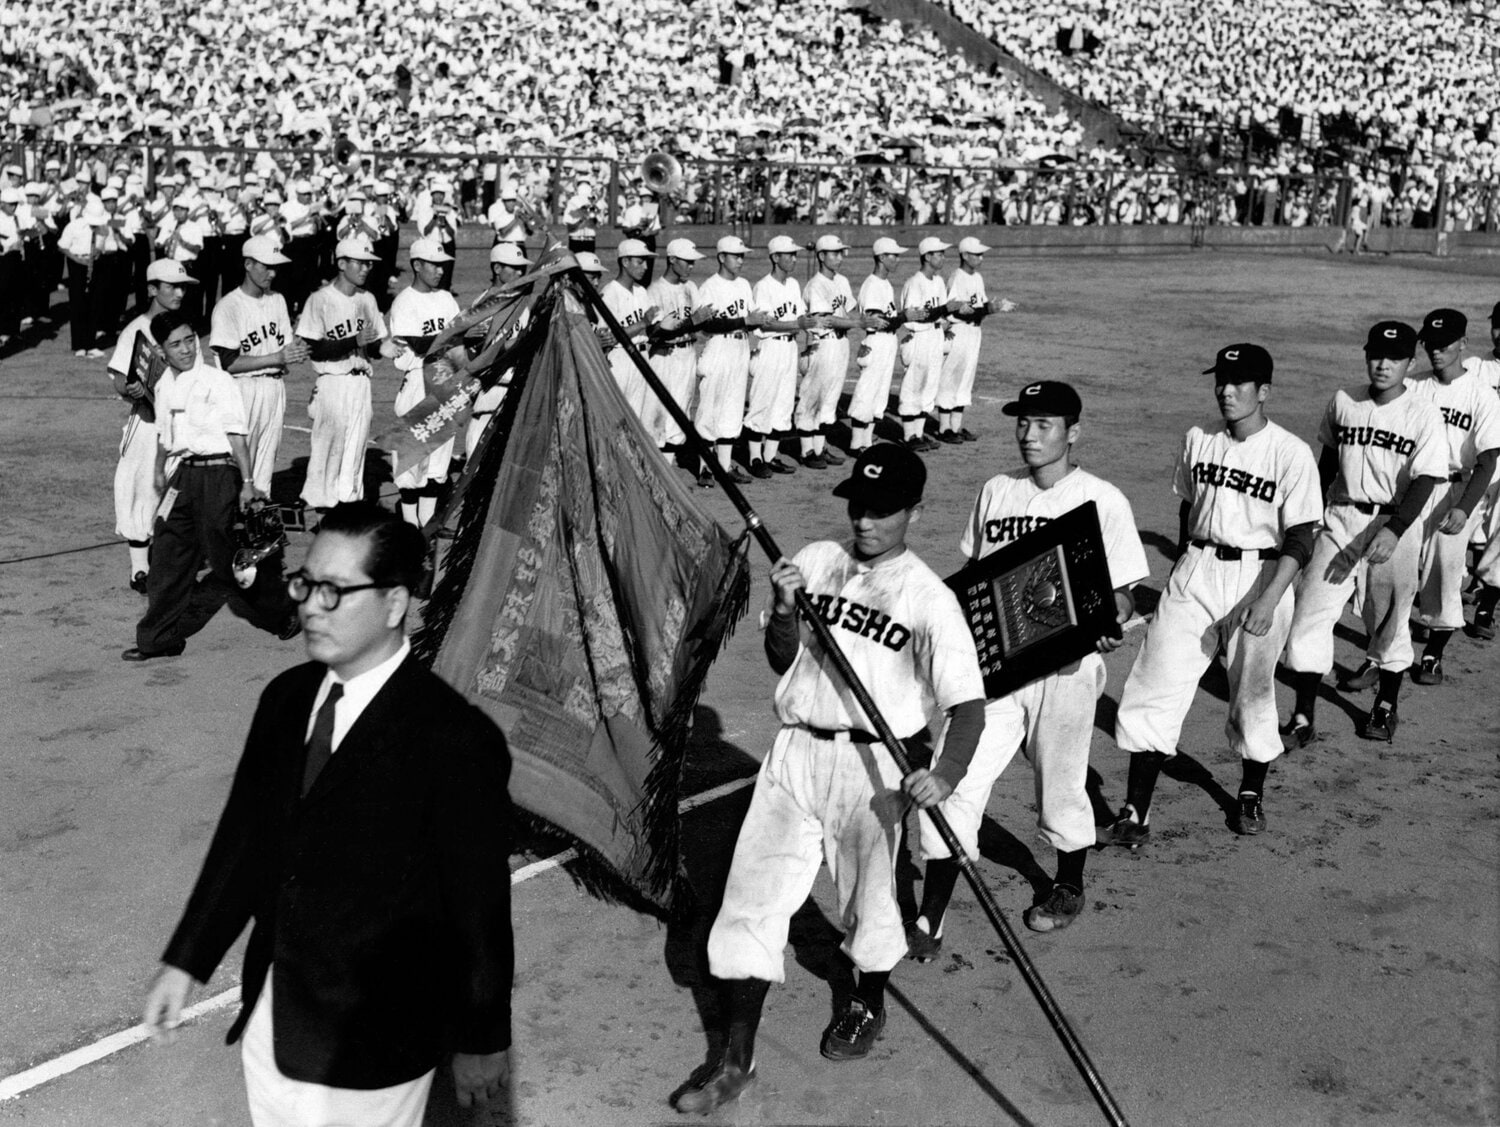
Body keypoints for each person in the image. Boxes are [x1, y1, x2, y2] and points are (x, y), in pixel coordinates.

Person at [142, 502, 513, 1125]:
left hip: (373, 1045)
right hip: (275, 1016)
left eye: (336, 591)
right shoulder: (285, 700)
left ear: (394, 604)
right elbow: (243, 841)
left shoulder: (455, 739)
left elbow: (477, 905)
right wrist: (187, 960)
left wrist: (483, 1038)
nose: (310, 605)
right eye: (305, 583)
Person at [673, 443, 986, 1114]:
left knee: (870, 902)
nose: (866, 521)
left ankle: (866, 1002)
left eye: (882, 511)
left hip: (873, 765)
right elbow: (781, 658)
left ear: (914, 512)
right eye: (858, 506)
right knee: (748, 900)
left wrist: (945, 772)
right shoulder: (817, 561)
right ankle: (735, 1058)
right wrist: (786, 610)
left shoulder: (928, 598)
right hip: (794, 754)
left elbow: (967, 706)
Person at [908, 380, 1147, 949]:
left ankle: (1067, 884)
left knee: (1061, 782)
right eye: (1023, 422)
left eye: (1044, 425)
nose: (1029, 434)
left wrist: (1108, 619)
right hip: (994, 666)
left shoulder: (1103, 499)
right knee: (956, 774)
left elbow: (1125, 595)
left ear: (1073, 433)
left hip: (1064, 671)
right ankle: (930, 915)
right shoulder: (997, 490)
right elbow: (973, 577)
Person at [1104, 345, 1320, 845]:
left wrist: (1267, 601)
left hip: (1260, 574)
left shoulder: (1290, 452)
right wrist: (1184, 562)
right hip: (1197, 569)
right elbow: (1187, 507)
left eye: (1239, 382)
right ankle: (1135, 811)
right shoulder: (1197, 437)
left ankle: (1250, 792)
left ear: (1263, 392)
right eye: (1221, 380)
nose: (1226, 389)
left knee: (1251, 692)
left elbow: (1302, 538)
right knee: (1155, 679)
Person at [1281, 321, 1447, 745]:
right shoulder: (1344, 401)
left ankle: (1385, 707)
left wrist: (1393, 530)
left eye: (1394, 357)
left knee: (1389, 621)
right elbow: (1326, 464)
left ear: (1411, 362)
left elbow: (1426, 480)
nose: (1383, 364)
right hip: (1340, 519)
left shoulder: (1424, 413)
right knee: (1309, 617)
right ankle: (1303, 716)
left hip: (1396, 525)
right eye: (1376, 354)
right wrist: (1309, 515)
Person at [123, 310, 299, 661]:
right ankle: (157, 639)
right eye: (176, 344)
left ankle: (283, 616)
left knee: (226, 563)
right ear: (161, 352)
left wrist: (248, 483)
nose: (187, 349)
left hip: (219, 475)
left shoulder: (218, 380)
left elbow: (237, 435)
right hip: (184, 475)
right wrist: (160, 471)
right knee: (168, 554)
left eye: (190, 340)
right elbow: (164, 435)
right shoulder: (164, 385)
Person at [1406, 309, 1500, 682]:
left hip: (1456, 488)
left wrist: (1464, 508)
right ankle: (1384, 648)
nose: (1436, 351)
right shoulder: (1414, 386)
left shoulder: (1480, 395)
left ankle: (1433, 652)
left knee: (1444, 572)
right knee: (1396, 570)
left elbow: (1489, 458)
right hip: (1416, 487)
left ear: (1463, 343)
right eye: (1430, 343)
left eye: (1445, 344)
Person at [106, 259, 200, 592]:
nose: (179, 291)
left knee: (177, 487)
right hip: (146, 423)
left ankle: (171, 557)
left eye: (183, 286)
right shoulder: (136, 329)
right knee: (138, 485)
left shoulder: (184, 328)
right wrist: (130, 389)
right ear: (152, 289)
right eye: (172, 286)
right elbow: (119, 377)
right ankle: (139, 569)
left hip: (181, 419)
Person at [210, 235, 308, 499]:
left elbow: (285, 346)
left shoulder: (277, 300)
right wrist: (277, 357)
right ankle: (229, 527)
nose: (272, 273)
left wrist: (297, 350)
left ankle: (257, 526)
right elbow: (229, 362)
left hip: (274, 388)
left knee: (265, 464)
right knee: (238, 465)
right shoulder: (228, 306)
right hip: (242, 391)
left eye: (275, 267)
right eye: (266, 266)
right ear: (248, 264)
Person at [298, 235, 389, 510]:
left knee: (354, 453)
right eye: (359, 263)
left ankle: (348, 516)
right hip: (333, 382)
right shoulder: (320, 300)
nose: (366, 268)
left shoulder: (369, 299)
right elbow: (313, 350)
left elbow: (373, 347)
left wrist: (383, 348)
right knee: (328, 454)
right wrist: (353, 341)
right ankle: (325, 520)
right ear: (341, 263)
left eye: (368, 264)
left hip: (361, 385)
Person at [390, 238, 462, 528]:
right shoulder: (404, 301)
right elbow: (418, 344)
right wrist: (453, 336)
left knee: (437, 464)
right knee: (411, 464)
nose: (440, 270)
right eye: (433, 264)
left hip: (444, 375)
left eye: (442, 265)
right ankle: (409, 529)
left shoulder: (446, 299)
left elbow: (458, 340)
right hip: (418, 379)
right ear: (417, 265)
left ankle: (427, 529)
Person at [690, 236, 763, 488]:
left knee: (732, 410)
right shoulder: (710, 286)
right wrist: (745, 322)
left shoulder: (744, 284)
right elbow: (706, 324)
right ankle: (705, 469)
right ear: (721, 257)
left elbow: (752, 318)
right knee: (709, 409)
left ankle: (724, 466)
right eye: (736, 255)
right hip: (718, 347)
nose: (741, 260)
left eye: (742, 255)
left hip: (740, 347)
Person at [743, 235, 815, 478]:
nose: (794, 258)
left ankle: (770, 456)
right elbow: (764, 325)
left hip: (789, 349)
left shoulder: (793, 285)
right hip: (770, 347)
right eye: (789, 254)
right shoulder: (763, 286)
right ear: (775, 258)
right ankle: (754, 458)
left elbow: (801, 319)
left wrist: (807, 330)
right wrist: (797, 323)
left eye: (795, 254)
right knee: (762, 402)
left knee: (783, 404)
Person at [935, 237, 1014, 444]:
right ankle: (943, 428)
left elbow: (981, 306)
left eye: (981, 254)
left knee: (965, 379)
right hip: (959, 331)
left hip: (974, 333)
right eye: (976, 254)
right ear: (964, 255)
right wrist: (989, 309)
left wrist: (995, 306)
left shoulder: (977, 277)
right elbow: (956, 311)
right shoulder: (957, 277)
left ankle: (956, 427)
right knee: (950, 378)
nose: (980, 258)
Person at [797, 235, 864, 468]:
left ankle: (819, 448)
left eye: (840, 253)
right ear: (821, 256)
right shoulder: (815, 285)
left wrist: (854, 321)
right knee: (812, 396)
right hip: (822, 344)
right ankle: (807, 452)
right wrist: (858, 324)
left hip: (840, 344)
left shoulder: (842, 281)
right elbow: (826, 319)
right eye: (834, 253)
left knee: (830, 398)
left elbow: (847, 310)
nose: (839, 257)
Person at [466, 242, 532, 459]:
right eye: (513, 267)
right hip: (490, 390)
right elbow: (484, 353)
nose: (519, 272)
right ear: (496, 269)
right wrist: (520, 343)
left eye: (521, 268)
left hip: (514, 390)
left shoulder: (522, 304)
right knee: (478, 464)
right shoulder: (484, 303)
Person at [643, 238, 703, 456]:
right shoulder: (655, 290)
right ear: (672, 260)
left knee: (681, 410)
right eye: (687, 261)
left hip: (687, 353)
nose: (691, 266)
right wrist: (692, 323)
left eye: (692, 262)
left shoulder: (691, 287)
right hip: (665, 356)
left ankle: (668, 466)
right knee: (660, 414)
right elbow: (656, 334)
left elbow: (701, 320)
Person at [897, 237, 958, 451]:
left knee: (929, 386)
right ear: (927, 256)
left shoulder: (939, 282)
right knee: (913, 386)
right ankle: (908, 436)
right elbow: (914, 315)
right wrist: (943, 311)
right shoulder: (915, 282)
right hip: (919, 337)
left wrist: (944, 324)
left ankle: (919, 434)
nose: (943, 257)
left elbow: (939, 312)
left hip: (934, 336)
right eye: (939, 253)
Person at [1462, 301, 1500, 641]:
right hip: (1480, 460)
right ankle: (1476, 578)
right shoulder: (1475, 367)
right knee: (1472, 526)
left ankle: (1487, 604)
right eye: (1497, 325)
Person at [847, 238, 905, 454]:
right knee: (867, 391)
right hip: (876, 341)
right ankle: (855, 443)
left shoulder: (886, 284)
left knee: (879, 394)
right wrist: (905, 316)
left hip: (888, 341)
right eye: (894, 255)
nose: (897, 259)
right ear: (881, 257)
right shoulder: (871, 285)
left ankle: (867, 442)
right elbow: (877, 321)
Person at [598, 238, 657, 423]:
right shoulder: (609, 293)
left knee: (637, 420)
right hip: (620, 358)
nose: (645, 267)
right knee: (616, 419)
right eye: (640, 261)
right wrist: (641, 324)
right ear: (625, 262)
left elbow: (651, 328)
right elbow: (607, 337)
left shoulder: (641, 291)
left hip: (642, 356)